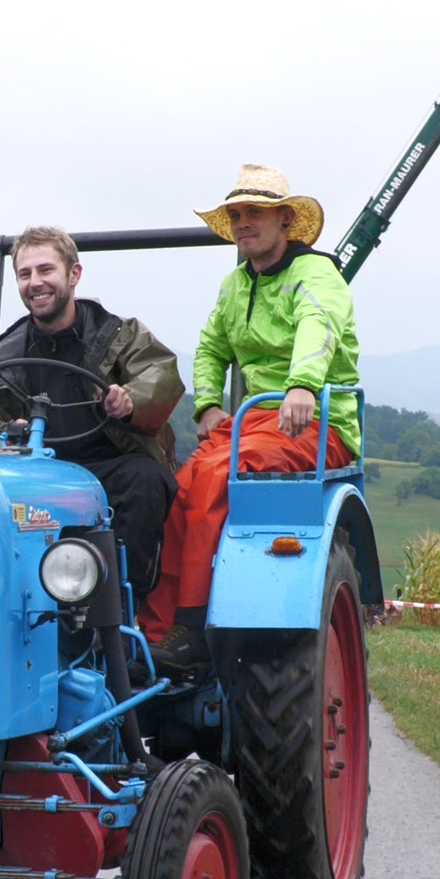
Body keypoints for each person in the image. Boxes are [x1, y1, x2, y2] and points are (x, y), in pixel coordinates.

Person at [142, 165, 363, 667]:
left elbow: (318, 325)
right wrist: (207, 404)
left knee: (217, 476)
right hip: (253, 424)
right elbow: (209, 348)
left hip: (315, 423)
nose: (244, 223)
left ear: (285, 220)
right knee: (180, 485)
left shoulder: (317, 275)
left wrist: (303, 385)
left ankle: (193, 630)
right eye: (236, 215)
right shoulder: (234, 285)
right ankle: (154, 631)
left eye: (255, 213)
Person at [0, 226, 184, 596]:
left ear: (73, 274)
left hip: (110, 464)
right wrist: (6, 433)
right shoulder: (2, 357)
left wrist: (129, 400)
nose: (36, 283)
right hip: (37, 471)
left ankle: (121, 603)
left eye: (46, 270)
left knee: (145, 481)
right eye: (25, 274)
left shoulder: (119, 335)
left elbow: (159, 375)